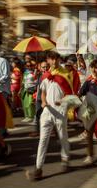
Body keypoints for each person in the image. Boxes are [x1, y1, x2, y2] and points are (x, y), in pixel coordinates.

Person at [26, 51, 80, 181]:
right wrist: (43, 101)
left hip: (60, 111)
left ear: (58, 60)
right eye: (52, 59)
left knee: (63, 138)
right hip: (47, 111)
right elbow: (43, 91)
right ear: (48, 60)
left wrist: (62, 102)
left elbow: (72, 95)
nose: (54, 61)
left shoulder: (66, 74)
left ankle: (65, 161)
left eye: (56, 59)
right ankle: (38, 169)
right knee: (43, 140)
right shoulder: (45, 75)